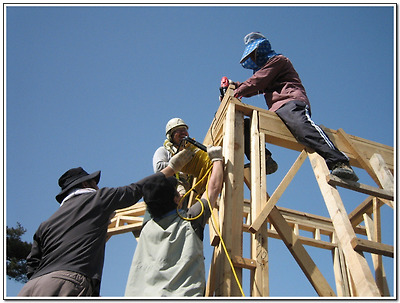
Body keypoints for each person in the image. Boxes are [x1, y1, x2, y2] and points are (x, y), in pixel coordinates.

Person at [17, 149, 194, 297]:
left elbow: (32, 263)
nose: (98, 187)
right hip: (66, 283)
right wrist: (171, 168)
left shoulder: (46, 223)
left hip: (29, 289)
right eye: (95, 183)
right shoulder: (97, 199)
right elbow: (135, 190)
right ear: (86, 183)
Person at [232, 32, 358, 181]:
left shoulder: (279, 60)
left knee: (302, 127)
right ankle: (264, 159)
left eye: (254, 53)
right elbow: (255, 85)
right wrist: (234, 86)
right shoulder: (265, 72)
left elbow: (257, 82)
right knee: (245, 126)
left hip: (290, 102)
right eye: (250, 56)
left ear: (262, 49)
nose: (253, 58)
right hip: (276, 111)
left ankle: (339, 162)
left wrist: (237, 90)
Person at [124, 145, 224, 297]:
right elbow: (213, 190)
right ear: (177, 200)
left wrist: (171, 168)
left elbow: (149, 192)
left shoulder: (146, 227)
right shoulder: (190, 221)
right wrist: (217, 160)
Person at [142, 118, 212, 226]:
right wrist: (178, 164)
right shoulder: (164, 151)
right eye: (179, 130)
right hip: (168, 195)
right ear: (171, 135)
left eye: (185, 130)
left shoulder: (190, 153)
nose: (183, 132)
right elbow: (158, 167)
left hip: (184, 199)